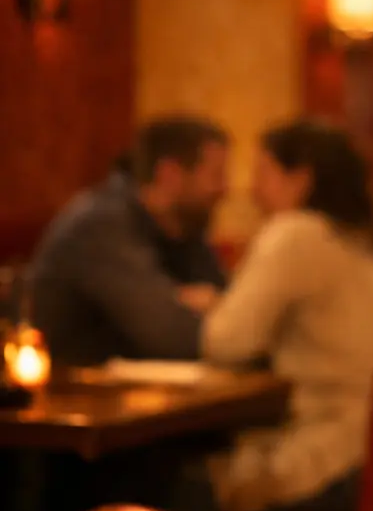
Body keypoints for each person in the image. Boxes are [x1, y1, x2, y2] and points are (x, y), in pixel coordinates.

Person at [196, 120, 373, 511]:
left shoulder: (295, 233)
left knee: (177, 486)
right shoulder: (366, 240)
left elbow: (226, 343)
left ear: (300, 179)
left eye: (263, 172)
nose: (251, 189)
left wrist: (210, 308)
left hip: (336, 469)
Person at [29, 115, 229, 365]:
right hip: (72, 386)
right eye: (216, 176)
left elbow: (226, 308)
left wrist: (181, 300)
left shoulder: (184, 228)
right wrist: (180, 301)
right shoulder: (101, 225)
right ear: (170, 175)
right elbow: (171, 334)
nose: (225, 189)